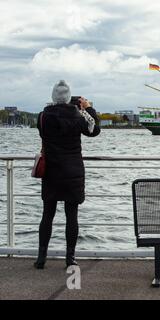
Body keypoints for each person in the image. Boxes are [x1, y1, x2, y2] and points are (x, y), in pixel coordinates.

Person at [34, 80, 100, 269]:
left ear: (53, 98)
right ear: (70, 98)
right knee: (72, 216)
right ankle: (70, 258)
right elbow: (94, 130)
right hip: (73, 171)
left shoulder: (42, 117)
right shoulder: (79, 116)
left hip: (51, 172)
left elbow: (44, 131)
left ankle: (41, 257)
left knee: (47, 215)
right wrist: (87, 108)